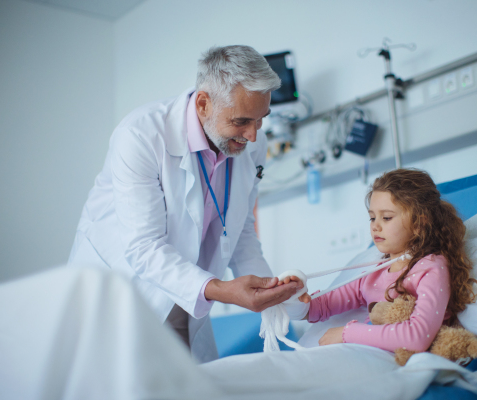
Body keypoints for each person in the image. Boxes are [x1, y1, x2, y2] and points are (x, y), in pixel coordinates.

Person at [68, 45, 302, 363]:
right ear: (204, 103)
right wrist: (220, 288)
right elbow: (144, 247)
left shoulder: (248, 143)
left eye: (261, 120)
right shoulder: (141, 136)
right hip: (122, 291)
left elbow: (241, 233)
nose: (252, 135)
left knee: (189, 382)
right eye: (241, 121)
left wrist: (273, 290)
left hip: (189, 291)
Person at [281, 168, 477, 352]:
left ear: (420, 223)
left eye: (386, 218)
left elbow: (418, 337)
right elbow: (322, 306)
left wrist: (346, 333)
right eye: (372, 218)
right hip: (371, 353)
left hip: (406, 358)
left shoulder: (431, 269)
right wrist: (295, 299)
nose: (375, 226)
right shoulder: (373, 273)